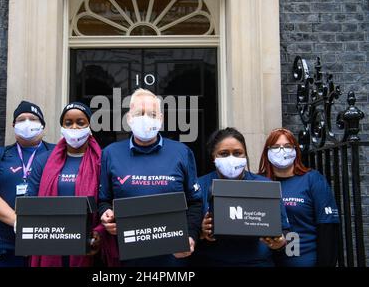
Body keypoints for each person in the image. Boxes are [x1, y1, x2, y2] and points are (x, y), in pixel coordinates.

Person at [98, 88, 203, 267]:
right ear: (129, 119)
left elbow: (195, 202)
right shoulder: (110, 153)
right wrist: (105, 214)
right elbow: (104, 199)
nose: (145, 118)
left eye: (152, 114)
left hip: (173, 258)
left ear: (161, 119)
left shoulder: (181, 152)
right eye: (139, 113)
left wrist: (191, 235)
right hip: (127, 258)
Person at [26, 101, 118, 267]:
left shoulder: (103, 160)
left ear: (89, 126)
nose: (74, 127)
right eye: (68, 123)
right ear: (62, 126)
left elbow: (109, 201)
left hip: (90, 246)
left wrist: (99, 233)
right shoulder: (43, 161)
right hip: (51, 241)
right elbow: (31, 203)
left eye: (80, 122)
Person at [189, 127, 290, 267]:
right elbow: (187, 233)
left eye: (237, 153)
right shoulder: (199, 186)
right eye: (224, 154)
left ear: (245, 155)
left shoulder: (266, 186)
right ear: (213, 157)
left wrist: (279, 243)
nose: (231, 158)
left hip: (257, 263)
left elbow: (284, 230)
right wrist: (201, 232)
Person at [0, 100, 54, 267]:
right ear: (13, 125)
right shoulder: (1, 154)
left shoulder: (55, 153)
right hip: (1, 242)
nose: (27, 123)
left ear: (42, 125)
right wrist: (18, 222)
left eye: (33, 119)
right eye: (21, 119)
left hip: (44, 241)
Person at [258, 127, 340, 267]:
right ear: (267, 152)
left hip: (303, 260)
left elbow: (327, 228)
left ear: (295, 150)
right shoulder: (257, 182)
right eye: (276, 147)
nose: (282, 150)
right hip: (264, 261)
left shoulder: (312, 180)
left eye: (288, 146)